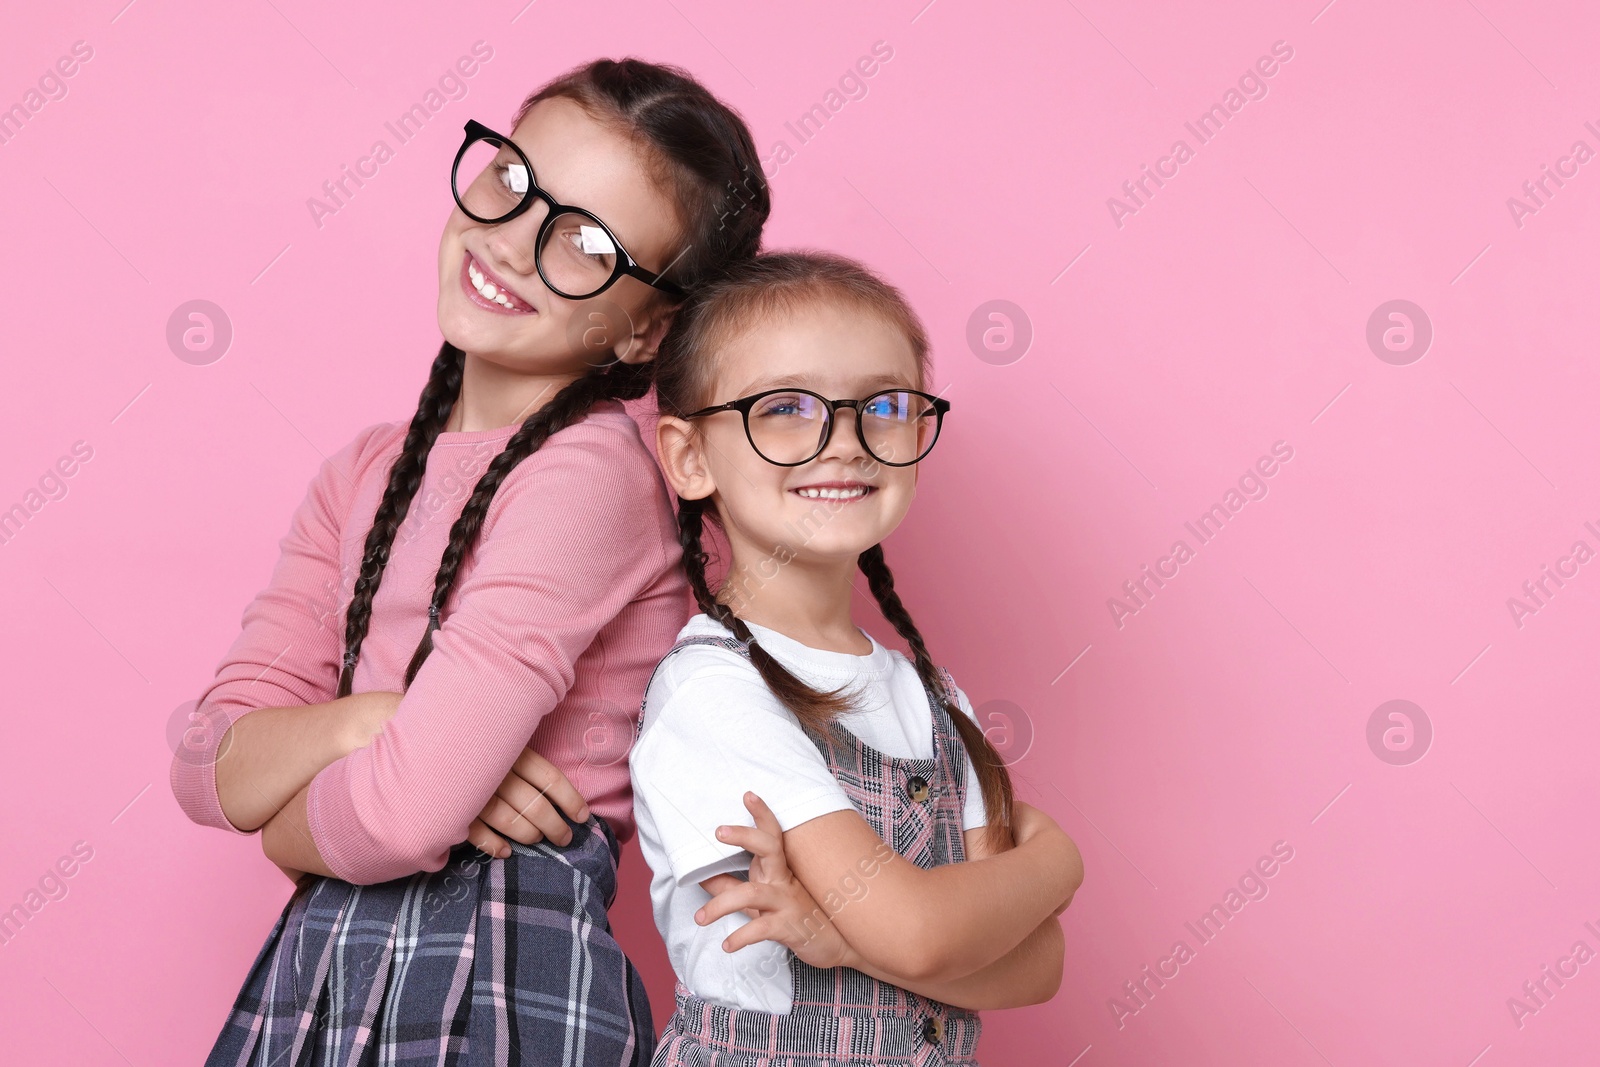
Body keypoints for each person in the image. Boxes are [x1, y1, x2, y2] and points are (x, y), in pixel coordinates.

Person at [168, 57, 770, 1066]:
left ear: (646, 327)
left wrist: (284, 827)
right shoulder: (365, 470)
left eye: (585, 242)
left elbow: (402, 815)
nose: (515, 242)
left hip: (494, 967)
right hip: (318, 963)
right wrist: (375, 720)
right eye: (512, 180)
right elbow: (202, 762)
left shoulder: (593, 474)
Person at [631, 250, 1084, 1065]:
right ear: (690, 456)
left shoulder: (933, 697)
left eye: (885, 403)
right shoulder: (713, 690)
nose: (844, 441)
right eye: (787, 407)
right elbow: (921, 930)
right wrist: (1059, 858)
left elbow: (1036, 965)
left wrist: (844, 943)